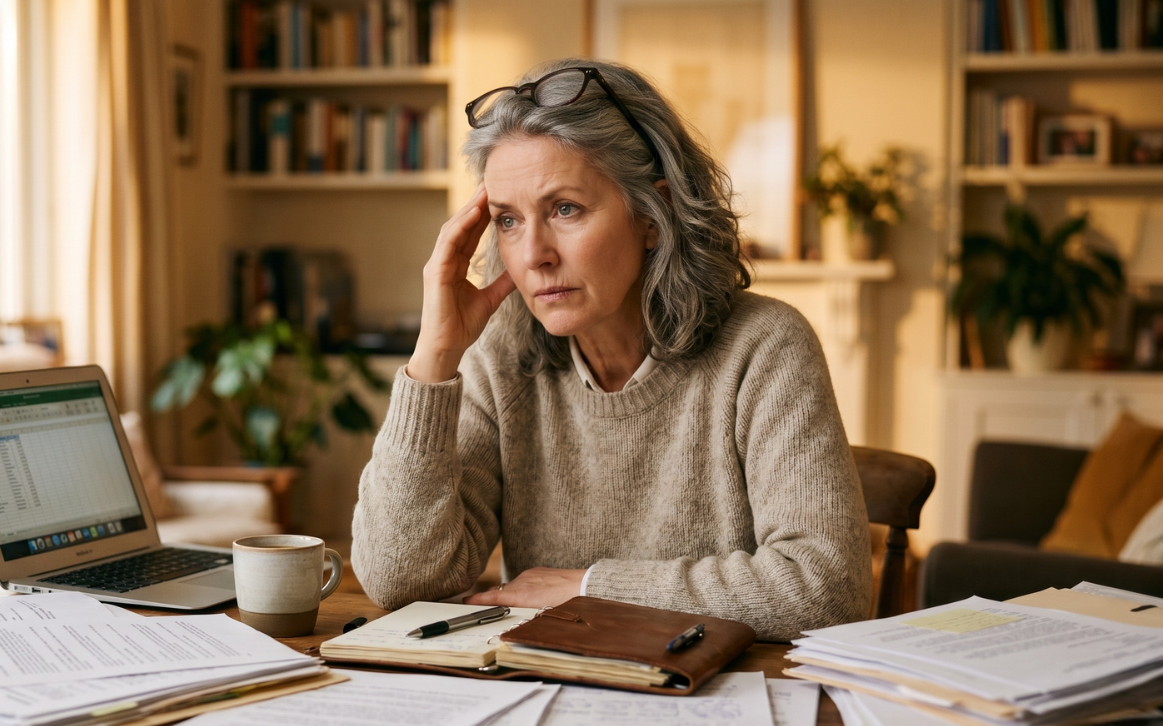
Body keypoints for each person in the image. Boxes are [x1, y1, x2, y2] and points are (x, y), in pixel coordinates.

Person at [351, 59, 871, 641]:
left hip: (707, 701)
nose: (534, 255)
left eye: (564, 209)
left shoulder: (765, 348)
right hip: (544, 687)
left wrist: (589, 587)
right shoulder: (499, 357)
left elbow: (826, 590)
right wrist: (433, 358)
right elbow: (400, 579)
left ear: (653, 215)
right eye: (508, 220)